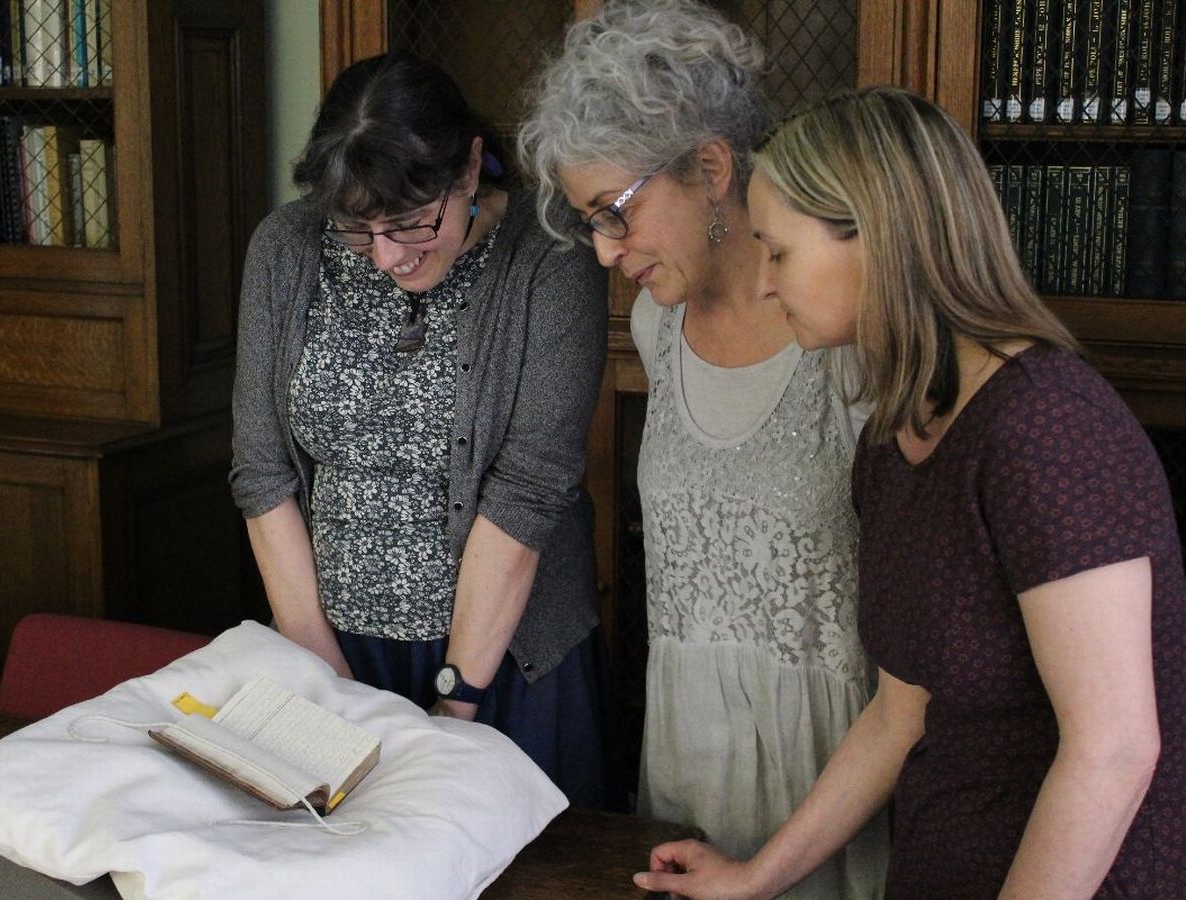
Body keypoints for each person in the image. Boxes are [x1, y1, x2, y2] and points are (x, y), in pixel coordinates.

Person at [635, 85, 1186, 900]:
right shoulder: (894, 443)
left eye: (777, 253)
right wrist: (757, 877)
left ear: (877, 238)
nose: (763, 285)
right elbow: (900, 717)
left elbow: (1114, 749)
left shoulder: (1048, 428)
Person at [518, 3, 887, 894]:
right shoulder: (658, 326)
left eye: (615, 213)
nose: (605, 252)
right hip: (685, 770)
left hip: (830, 782)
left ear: (711, 168)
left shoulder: (850, 330)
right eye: (588, 222)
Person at [229, 51, 610, 807]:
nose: (387, 257)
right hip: (327, 646)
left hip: (506, 660)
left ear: (470, 168)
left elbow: (528, 493)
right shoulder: (286, 247)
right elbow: (261, 470)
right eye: (355, 227)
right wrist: (324, 679)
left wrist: (456, 697)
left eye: (409, 224)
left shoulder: (551, 253)